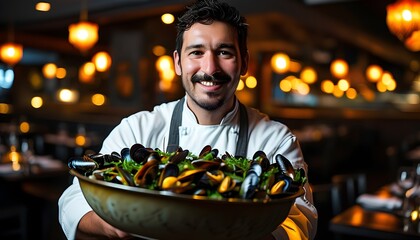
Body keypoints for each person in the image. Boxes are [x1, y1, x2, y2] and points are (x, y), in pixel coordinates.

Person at [58, 0, 318, 239]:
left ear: (244, 63)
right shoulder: (137, 128)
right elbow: (73, 200)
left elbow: (300, 221)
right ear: (178, 63)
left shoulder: (276, 139)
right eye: (196, 52)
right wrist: (116, 224)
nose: (210, 68)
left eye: (224, 52)